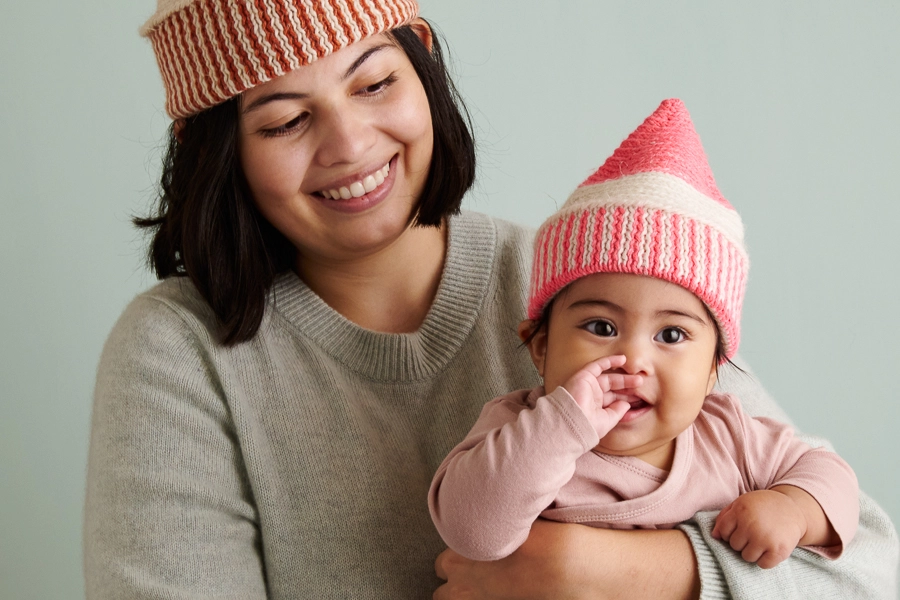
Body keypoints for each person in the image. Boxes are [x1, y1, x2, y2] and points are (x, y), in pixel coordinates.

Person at [83, 1, 899, 598]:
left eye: (374, 83)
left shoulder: (577, 281)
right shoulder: (179, 352)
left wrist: (623, 575)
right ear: (218, 150)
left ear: (424, 67)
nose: (350, 145)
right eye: (287, 119)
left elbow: (868, 567)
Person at [428, 99, 859, 570]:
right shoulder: (521, 431)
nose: (632, 358)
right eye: (601, 327)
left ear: (714, 369)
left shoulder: (730, 438)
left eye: (671, 335)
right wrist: (563, 425)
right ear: (541, 346)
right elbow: (472, 533)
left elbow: (833, 478)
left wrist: (794, 507)